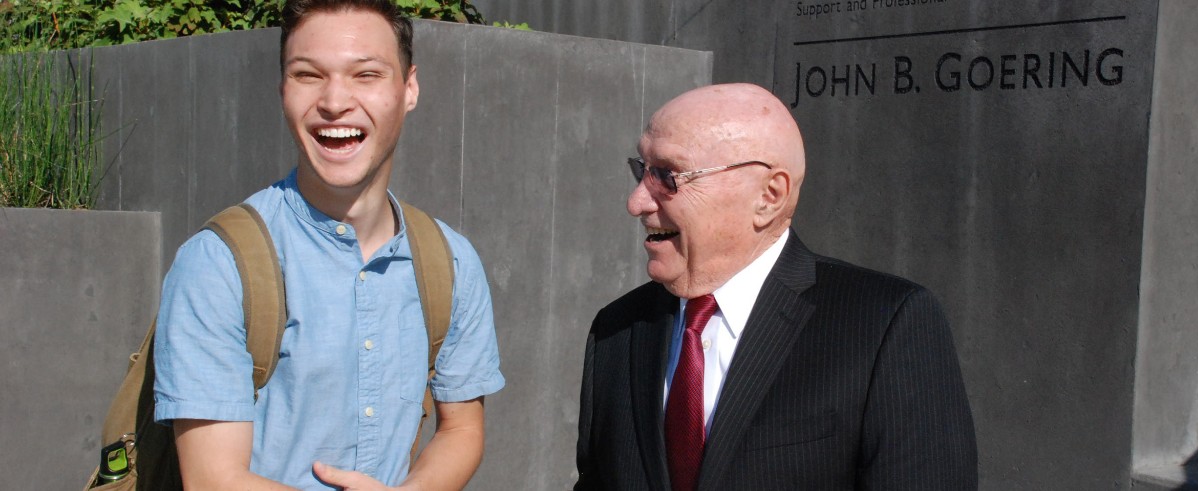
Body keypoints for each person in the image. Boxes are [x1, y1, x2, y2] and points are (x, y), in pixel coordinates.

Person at [152, 0, 505, 489]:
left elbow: (462, 428)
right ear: (282, 91)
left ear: (409, 89)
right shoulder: (218, 263)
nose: (335, 100)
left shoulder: (451, 262)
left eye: (365, 75)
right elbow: (212, 479)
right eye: (308, 75)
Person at [575, 83, 977, 490]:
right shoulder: (616, 331)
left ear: (769, 196)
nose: (637, 201)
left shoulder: (884, 326)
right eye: (640, 171)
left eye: (667, 176)